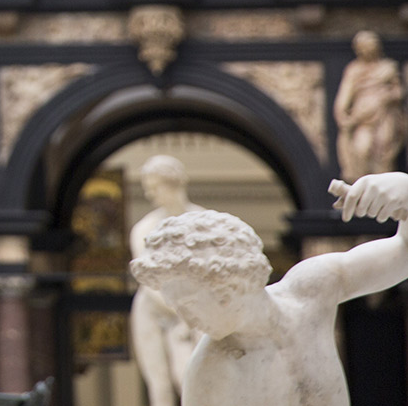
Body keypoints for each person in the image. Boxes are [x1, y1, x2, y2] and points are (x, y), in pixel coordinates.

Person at [130, 172, 408, 406]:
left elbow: (402, 256)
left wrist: (403, 190)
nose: (187, 320)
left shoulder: (311, 291)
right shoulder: (210, 375)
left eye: (188, 305)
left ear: (226, 287)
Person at [127, 156, 205, 406]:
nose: (150, 195)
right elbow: (150, 281)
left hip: (196, 310)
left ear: (173, 183)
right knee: (159, 383)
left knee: (187, 376)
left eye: (154, 187)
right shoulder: (145, 228)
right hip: (153, 307)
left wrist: (191, 315)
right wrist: (183, 311)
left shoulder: (203, 222)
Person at [334, 30, 405, 182]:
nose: (368, 50)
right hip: (363, 117)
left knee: (383, 150)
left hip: (384, 117)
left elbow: (398, 91)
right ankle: (363, 187)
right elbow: (345, 95)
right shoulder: (354, 70)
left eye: (371, 47)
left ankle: (381, 190)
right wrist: (342, 115)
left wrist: (389, 96)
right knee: (362, 148)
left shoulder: (387, 68)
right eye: (365, 48)